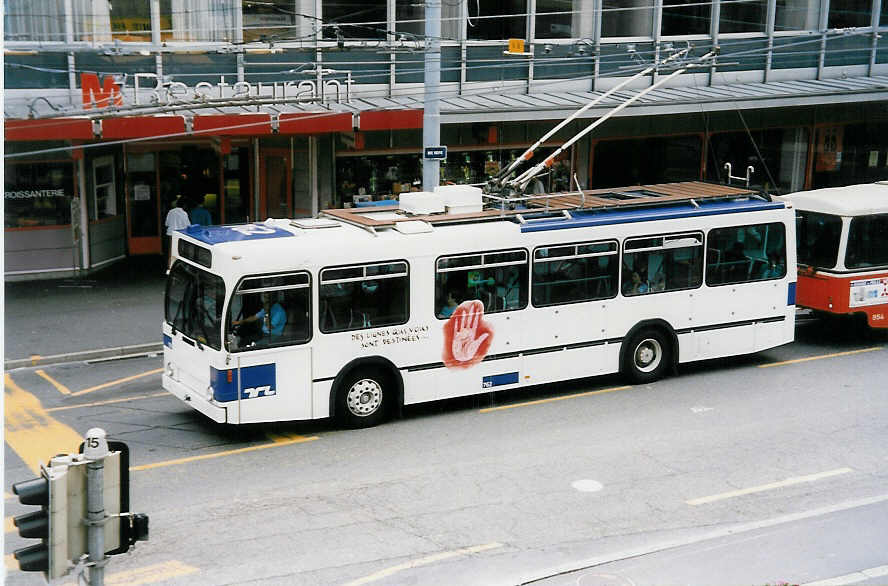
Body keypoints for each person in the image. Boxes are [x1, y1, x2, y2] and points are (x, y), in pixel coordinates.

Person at [164, 195, 190, 267]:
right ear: (184, 205)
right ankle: (180, 267)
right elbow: (188, 225)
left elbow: (166, 224)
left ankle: (169, 267)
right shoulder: (184, 213)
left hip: (171, 234)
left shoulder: (170, 212)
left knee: (171, 252)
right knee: (181, 252)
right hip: (181, 235)